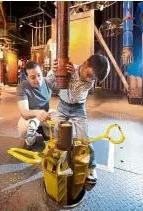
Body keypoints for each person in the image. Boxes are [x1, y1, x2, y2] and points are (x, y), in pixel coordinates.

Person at [47, 54, 110, 184]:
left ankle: (91, 167)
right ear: (85, 64)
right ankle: (57, 161)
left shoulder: (88, 83)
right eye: (90, 75)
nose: (90, 79)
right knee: (56, 132)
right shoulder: (70, 68)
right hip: (63, 105)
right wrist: (55, 71)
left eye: (93, 79)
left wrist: (69, 76)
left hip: (78, 109)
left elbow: (75, 94)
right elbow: (49, 82)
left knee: (84, 139)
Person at [16, 61, 59, 150]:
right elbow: (24, 112)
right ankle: (30, 141)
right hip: (30, 116)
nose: (37, 80)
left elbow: (64, 90)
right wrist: (37, 113)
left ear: (42, 72)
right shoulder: (22, 87)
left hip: (46, 113)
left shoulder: (48, 82)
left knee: (61, 123)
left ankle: (44, 130)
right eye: (32, 77)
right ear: (27, 78)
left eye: (39, 75)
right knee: (25, 129)